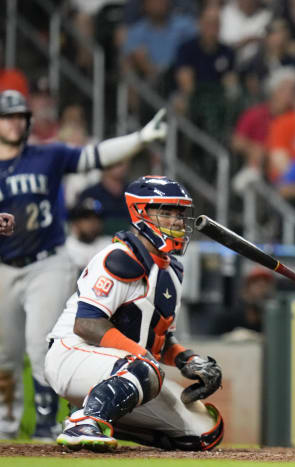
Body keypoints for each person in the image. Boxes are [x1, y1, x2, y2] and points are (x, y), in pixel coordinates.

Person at [0, 88, 168, 441]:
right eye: (7, 117)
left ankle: (48, 428)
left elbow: (96, 156)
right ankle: (6, 429)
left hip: (45, 261)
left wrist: (138, 139)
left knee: (40, 344)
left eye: (20, 117)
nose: (14, 123)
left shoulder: (48, 155)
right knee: (4, 356)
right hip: (2, 266)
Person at [45, 175, 224, 451]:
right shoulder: (119, 257)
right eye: (166, 212)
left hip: (124, 368)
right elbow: (87, 324)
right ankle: (85, 421)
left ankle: (99, 409)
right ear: (140, 213)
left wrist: (190, 360)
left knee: (204, 433)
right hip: (72, 354)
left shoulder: (172, 271)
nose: (176, 221)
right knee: (145, 368)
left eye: (179, 213)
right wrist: (143, 358)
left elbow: (160, 342)